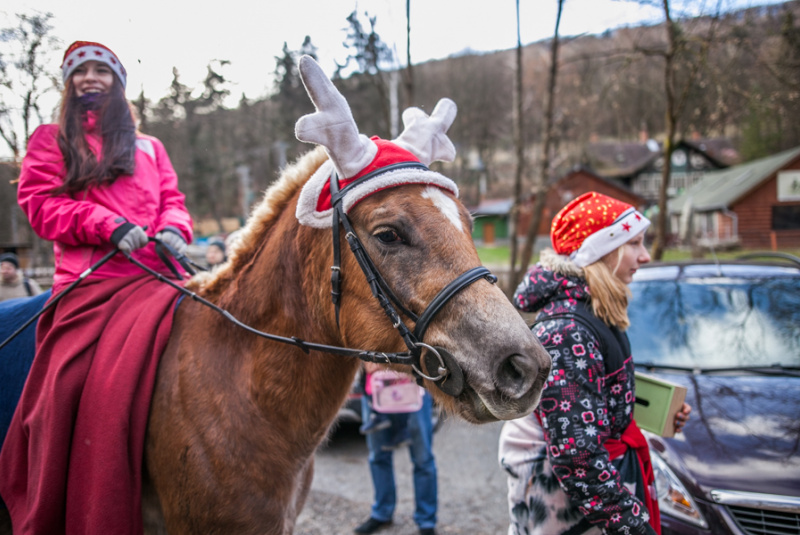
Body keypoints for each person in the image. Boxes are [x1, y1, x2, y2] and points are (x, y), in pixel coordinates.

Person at [0, 41, 193, 534]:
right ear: (69, 83)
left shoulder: (151, 146)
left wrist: (174, 227)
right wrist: (104, 223)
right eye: (79, 71)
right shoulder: (50, 138)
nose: (90, 78)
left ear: (117, 80)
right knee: (69, 384)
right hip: (94, 283)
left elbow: (173, 198)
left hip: (161, 276)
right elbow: (40, 205)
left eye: (100, 70)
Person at [498, 192, 691, 535]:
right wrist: (633, 526)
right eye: (634, 244)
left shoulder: (593, 312)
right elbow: (578, 459)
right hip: (568, 514)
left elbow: (591, 404)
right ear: (601, 252)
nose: (645, 256)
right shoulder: (567, 331)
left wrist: (652, 412)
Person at [355, 363, 438, 535]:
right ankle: (382, 513)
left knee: (423, 459)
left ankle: (426, 521)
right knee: (378, 457)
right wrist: (363, 360)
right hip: (374, 391)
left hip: (413, 388)